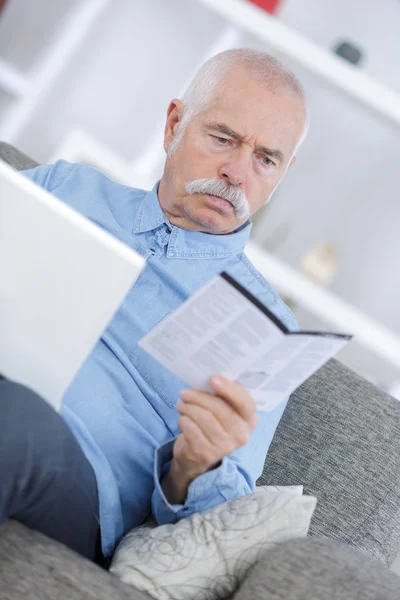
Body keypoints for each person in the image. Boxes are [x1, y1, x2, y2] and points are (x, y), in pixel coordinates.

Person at [1, 48, 308, 564]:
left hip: (73, 480)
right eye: (223, 138)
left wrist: (196, 465)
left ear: (281, 173)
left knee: (14, 414)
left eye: (265, 158)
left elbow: (218, 512)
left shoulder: (265, 324)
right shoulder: (67, 187)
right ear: (173, 125)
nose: (237, 172)